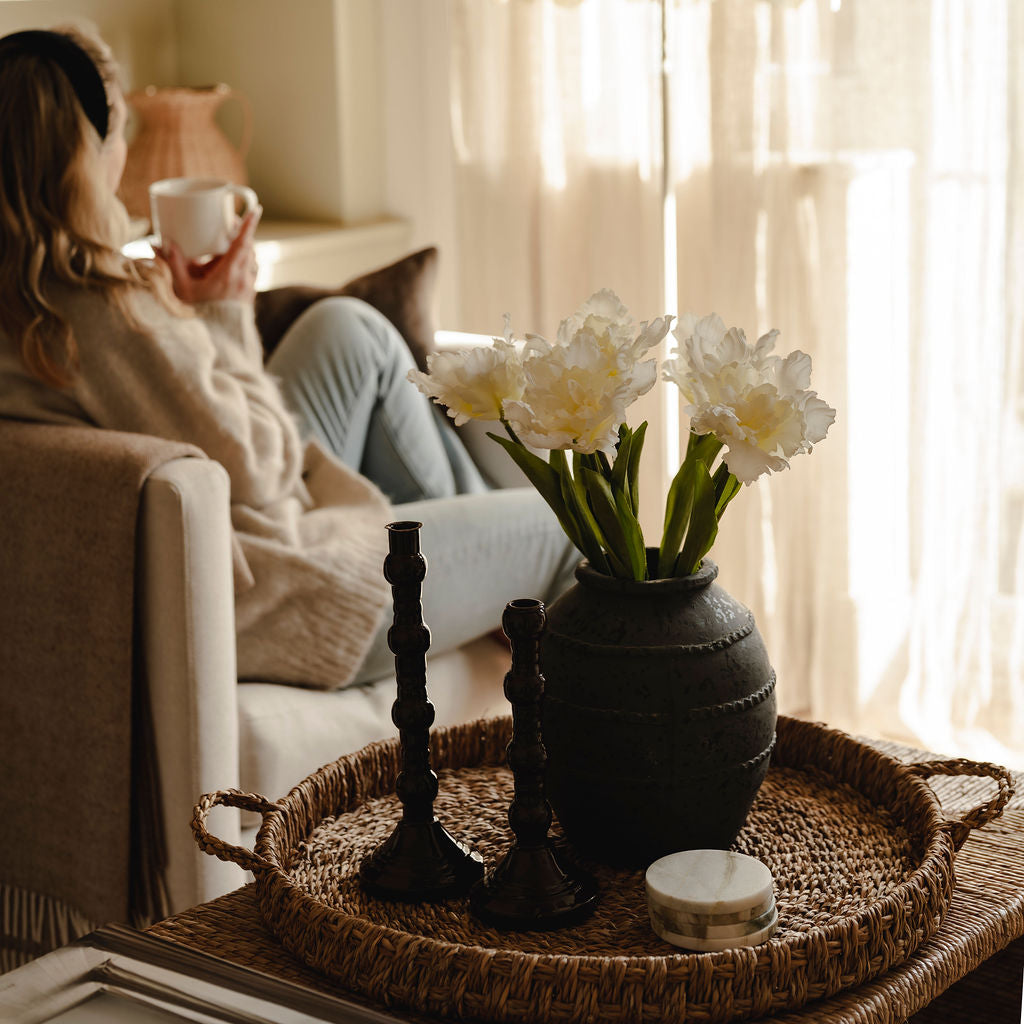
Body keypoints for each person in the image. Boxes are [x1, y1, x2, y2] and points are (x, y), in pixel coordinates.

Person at [0, 25, 578, 689]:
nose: (124, 157)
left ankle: (477, 584)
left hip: (240, 537)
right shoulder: (102, 311)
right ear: (86, 155)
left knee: (349, 330)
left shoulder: (34, 300)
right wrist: (221, 310)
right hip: (282, 594)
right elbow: (264, 472)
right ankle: (553, 745)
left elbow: (214, 441)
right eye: (119, 134)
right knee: (558, 525)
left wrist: (199, 315)